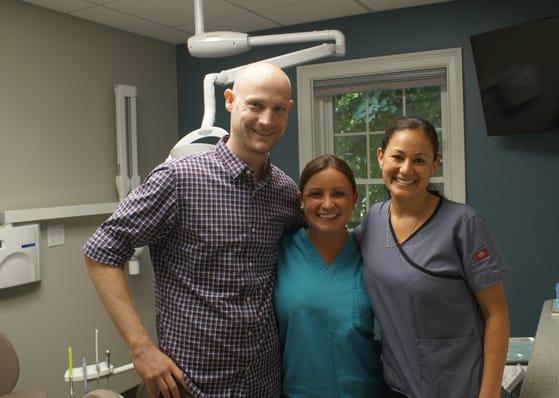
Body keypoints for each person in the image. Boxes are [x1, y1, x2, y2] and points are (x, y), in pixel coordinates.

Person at [82, 62, 301, 398]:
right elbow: (101, 252)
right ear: (229, 100)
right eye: (255, 105)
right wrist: (140, 349)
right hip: (191, 384)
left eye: (279, 109)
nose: (267, 120)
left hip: (263, 382)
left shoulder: (285, 192)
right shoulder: (178, 179)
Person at [354, 116, 509, 398]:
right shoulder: (373, 221)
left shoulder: (463, 224)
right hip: (396, 386)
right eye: (397, 157)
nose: (406, 169)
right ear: (380, 157)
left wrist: (489, 395)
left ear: (435, 164)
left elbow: (495, 313)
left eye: (420, 160)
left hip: (460, 387)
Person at [273, 155, 386, 397]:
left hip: (365, 391)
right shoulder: (279, 252)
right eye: (316, 194)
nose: (327, 204)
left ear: (354, 199)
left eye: (338, 194)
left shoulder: (371, 254)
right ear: (301, 200)